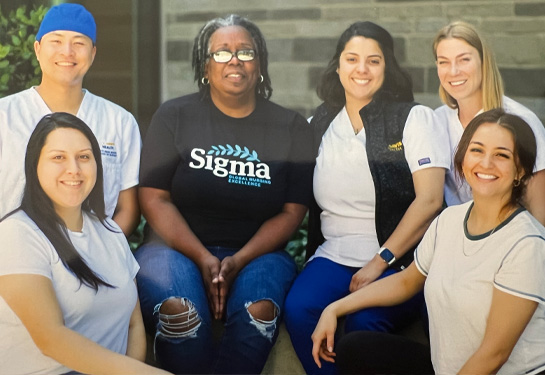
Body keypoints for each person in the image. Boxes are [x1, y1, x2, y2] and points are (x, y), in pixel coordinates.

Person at [134, 14, 314, 374]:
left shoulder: (290, 126)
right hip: (172, 251)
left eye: (245, 52)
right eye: (221, 53)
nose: (234, 60)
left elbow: (292, 212)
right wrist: (202, 257)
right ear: (205, 67)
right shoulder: (174, 116)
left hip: (259, 255)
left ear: (259, 63)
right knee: (180, 312)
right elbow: (154, 197)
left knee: (258, 312)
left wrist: (238, 260)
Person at [312, 108, 545, 374]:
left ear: (521, 171)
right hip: (448, 369)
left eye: (502, 155)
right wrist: (333, 309)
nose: (486, 163)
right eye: (477, 150)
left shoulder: (527, 243)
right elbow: (405, 281)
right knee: (356, 347)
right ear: (462, 157)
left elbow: (494, 354)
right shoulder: (449, 220)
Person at [283, 21, 450, 375]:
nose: (362, 69)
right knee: (299, 310)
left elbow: (431, 201)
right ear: (338, 65)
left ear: (387, 67)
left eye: (373, 61)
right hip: (333, 255)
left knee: (363, 323)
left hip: (402, 261)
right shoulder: (319, 123)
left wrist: (380, 260)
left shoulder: (413, 118)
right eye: (352, 59)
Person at [0, 113, 169, 375]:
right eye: (58, 157)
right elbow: (51, 339)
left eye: (84, 157)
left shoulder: (110, 231)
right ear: (34, 165)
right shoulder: (17, 234)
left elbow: (133, 324)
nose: (74, 169)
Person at [0, 3, 140, 236]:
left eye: (78, 43)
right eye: (56, 41)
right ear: (37, 49)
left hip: (95, 260)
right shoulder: (5, 116)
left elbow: (128, 208)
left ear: (93, 53)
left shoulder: (120, 122)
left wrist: (104, 256)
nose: (67, 52)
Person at [433, 21, 545, 225]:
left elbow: (539, 213)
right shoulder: (436, 121)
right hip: (456, 237)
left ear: (484, 62)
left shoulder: (521, 120)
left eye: (464, 59)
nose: (453, 71)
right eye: (443, 62)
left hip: (510, 240)